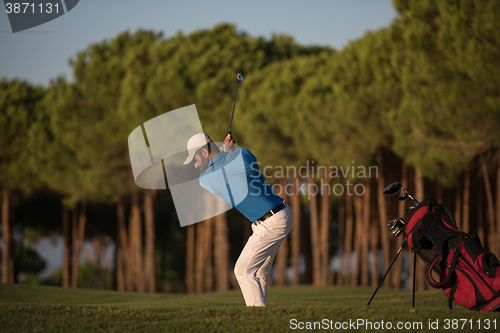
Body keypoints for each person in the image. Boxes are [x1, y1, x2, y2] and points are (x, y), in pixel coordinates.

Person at [183, 133, 293, 307]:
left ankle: (257, 317)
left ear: (204, 152)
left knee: (242, 270)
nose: (195, 165)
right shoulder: (243, 154)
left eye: (195, 159)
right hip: (279, 215)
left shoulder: (206, 179)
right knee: (259, 272)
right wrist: (228, 151)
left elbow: (222, 168)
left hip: (271, 222)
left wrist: (225, 150)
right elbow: (230, 163)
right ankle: (262, 314)